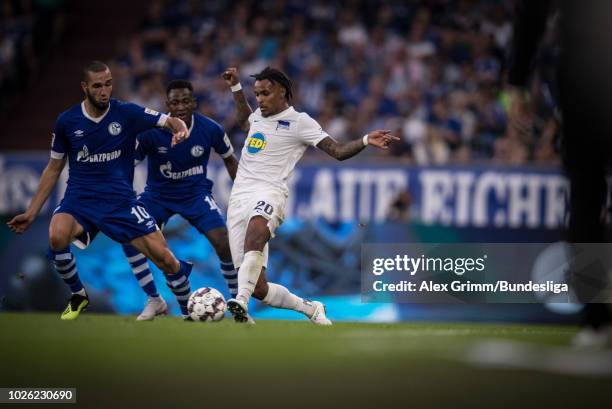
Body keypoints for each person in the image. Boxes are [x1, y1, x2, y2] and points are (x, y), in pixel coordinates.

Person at [7, 61, 193, 321]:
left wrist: (181, 128)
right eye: (97, 86)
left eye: (108, 84)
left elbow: (168, 121)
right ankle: (79, 295)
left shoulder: (127, 113)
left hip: (120, 202)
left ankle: (187, 308)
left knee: (166, 260)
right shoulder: (67, 121)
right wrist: (31, 211)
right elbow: (53, 168)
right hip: (79, 200)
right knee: (57, 234)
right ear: (85, 87)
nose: (104, 90)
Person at [222, 66, 398, 324]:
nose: (259, 99)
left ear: (282, 91)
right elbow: (243, 120)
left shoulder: (300, 122)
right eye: (257, 94)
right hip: (238, 198)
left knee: (256, 232)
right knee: (261, 289)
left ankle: (241, 301)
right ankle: (310, 308)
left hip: (270, 193)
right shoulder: (258, 116)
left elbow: (337, 151)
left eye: (265, 93)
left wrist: (364, 140)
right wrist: (236, 88)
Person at [507, 0, 612, 345]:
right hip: (585, 69)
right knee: (585, 197)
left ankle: (597, 320)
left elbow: (531, 13)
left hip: (585, 70)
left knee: (585, 196)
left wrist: (516, 80)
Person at [121, 79, 240, 320]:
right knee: (129, 236)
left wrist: (241, 192)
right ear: (167, 105)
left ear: (194, 102)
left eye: (186, 101)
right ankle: (155, 299)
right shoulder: (151, 133)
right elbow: (126, 164)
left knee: (223, 241)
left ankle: (238, 300)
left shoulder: (211, 129)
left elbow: (229, 158)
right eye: (175, 102)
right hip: (158, 196)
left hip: (195, 194)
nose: (181, 106)